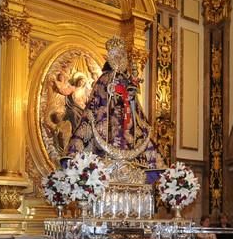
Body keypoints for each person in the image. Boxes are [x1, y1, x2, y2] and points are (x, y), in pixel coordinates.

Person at [66, 35, 164, 169]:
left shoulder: (128, 79)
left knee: (140, 136)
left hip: (127, 123)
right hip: (108, 123)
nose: (120, 60)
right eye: (117, 56)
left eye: (122, 56)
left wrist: (131, 97)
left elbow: (135, 106)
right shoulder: (105, 78)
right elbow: (98, 101)